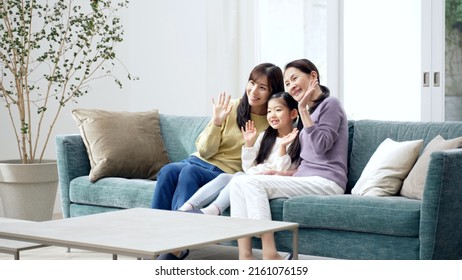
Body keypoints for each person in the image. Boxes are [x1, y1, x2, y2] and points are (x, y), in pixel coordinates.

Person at [228, 58, 349, 260]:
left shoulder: (330, 104)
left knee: (252, 182)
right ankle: (245, 256)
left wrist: (303, 111)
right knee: (238, 181)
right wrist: (282, 174)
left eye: (294, 79)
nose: (291, 86)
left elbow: (321, 147)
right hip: (306, 179)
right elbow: (308, 162)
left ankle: (270, 253)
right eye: (287, 83)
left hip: (328, 182)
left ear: (313, 76)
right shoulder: (308, 112)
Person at [151, 63, 284, 212]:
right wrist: (216, 123)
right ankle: (156, 227)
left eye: (262, 87)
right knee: (167, 171)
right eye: (252, 83)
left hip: (223, 172)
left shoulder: (272, 122)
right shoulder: (231, 107)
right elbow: (204, 151)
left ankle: (182, 226)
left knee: (189, 173)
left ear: (273, 92)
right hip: (197, 161)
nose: (253, 91)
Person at [178, 92, 301, 215]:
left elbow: (281, 171)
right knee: (224, 177)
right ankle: (186, 207)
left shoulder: (297, 139)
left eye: (278, 110)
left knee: (238, 177)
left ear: (293, 113)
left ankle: (213, 210)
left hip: (270, 182)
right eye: (269, 111)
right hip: (253, 177)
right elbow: (248, 168)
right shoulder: (266, 136)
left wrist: (283, 147)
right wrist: (248, 144)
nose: (272, 115)